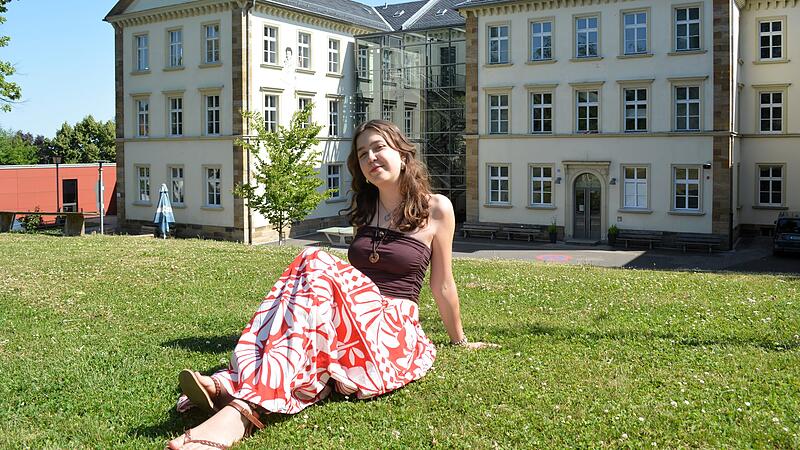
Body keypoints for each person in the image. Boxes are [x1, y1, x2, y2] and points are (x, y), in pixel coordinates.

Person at [167, 120, 497, 450]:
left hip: (392, 328)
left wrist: (461, 340)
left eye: (379, 147)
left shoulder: (437, 208)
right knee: (306, 302)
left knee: (315, 261)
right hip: (351, 322)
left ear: (403, 153)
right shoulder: (367, 210)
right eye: (363, 153)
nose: (371, 157)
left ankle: (236, 407)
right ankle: (234, 386)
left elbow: (443, 285)